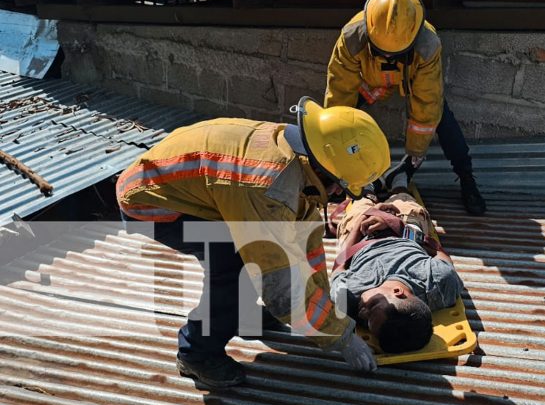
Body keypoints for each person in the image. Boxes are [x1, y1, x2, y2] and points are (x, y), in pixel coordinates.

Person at [116, 96, 390, 389]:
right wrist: (340, 337)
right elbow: (279, 283)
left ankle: (243, 316)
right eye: (342, 188)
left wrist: (324, 306)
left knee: (254, 255)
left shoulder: (301, 158)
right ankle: (197, 353)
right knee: (237, 263)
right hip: (150, 202)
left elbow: (305, 244)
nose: (340, 194)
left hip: (191, 186)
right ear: (327, 172)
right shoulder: (271, 188)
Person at [324, 0, 486, 215]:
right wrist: (338, 163)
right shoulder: (352, 39)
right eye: (382, 51)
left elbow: (426, 105)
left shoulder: (427, 45)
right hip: (371, 82)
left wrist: (412, 159)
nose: (389, 56)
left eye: (395, 53)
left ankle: (467, 178)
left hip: (411, 78)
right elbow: (339, 97)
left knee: (440, 116)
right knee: (340, 119)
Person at [330, 187, 464, 354]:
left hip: (361, 234)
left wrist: (365, 217)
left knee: (359, 200)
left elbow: (340, 262)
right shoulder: (439, 282)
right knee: (403, 198)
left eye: (366, 321)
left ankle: (368, 190)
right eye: (372, 307)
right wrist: (397, 225)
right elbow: (438, 251)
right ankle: (398, 182)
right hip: (407, 230)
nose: (362, 313)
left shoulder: (347, 296)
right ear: (398, 292)